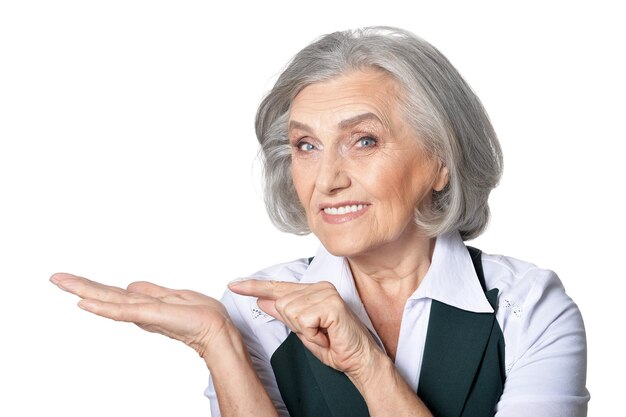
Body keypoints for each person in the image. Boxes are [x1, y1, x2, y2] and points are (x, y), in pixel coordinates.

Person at [50, 26, 589, 417]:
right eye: (306, 145)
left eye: (364, 140)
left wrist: (366, 363)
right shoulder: (256, 312)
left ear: (441, 162)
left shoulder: (527, 310)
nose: (326, 178)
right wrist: (218, 342)